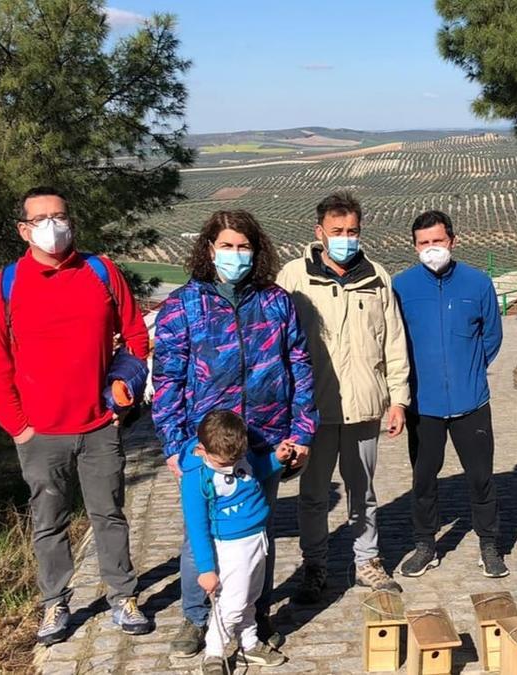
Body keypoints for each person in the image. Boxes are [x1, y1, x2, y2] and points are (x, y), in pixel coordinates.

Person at [0, 186, 151, 644]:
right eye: (41, 218)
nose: (53, 225)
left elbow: (135, 336)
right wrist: (20, 426)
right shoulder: (5, 287)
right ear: (23, 229)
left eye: (60, 216)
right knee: (48, 522)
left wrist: (121, 402)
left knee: (109, 514)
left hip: (98, 426)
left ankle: (122, 596)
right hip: (40, 433)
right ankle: (55, 604)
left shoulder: (100, 271)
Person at [152, 210, 316, 657]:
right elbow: (167, 378)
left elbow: (299, 367)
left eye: (244, 246)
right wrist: (174, 444)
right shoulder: (182, 305)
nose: (235, 254)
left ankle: (256, 614)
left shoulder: (278, 302)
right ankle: (196, 616)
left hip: (264, 440)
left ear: (256, 250)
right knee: (199, 534)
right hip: (203, 446)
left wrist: (301, 433)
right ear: (209, 249)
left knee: (258, 530)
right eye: (226, 245)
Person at [278, 191, 410, 601]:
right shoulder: (294, 277)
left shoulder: (377, 276)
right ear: (319, 232)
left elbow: (394, 341)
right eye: (337, 231)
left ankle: (367, 560)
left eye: (352, 231)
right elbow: (277, 342)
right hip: (312, 410)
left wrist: (398, 399)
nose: (345, 238)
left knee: (364, 492)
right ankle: (315, 565)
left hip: (365, 406)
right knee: (314, 495)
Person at [392, 210, 506, 578]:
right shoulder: (401, 287)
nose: (431, 248)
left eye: (437, 241)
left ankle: (489, 544)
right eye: (424, 243)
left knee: (481, 477)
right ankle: (426, 544)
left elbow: (492, 336)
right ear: (414, 246)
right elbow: (394, 341)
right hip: (423, 405)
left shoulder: (477, 283)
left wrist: (467, 368)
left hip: (471, 401)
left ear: (452, 241)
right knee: (424, 478)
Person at [180, 410, 291, 674]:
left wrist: (276, 458)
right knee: (233, 603)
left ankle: (249, 642)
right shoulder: (196, 479)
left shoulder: (237, 454)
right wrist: (206, 569)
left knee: (251, 597)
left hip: (256, 539)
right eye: (223, 463)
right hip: (231, 547)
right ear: (204, 450)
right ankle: (214, 652)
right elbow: (197, 528)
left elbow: (255, 471)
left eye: (235, 460)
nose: (230, 467)